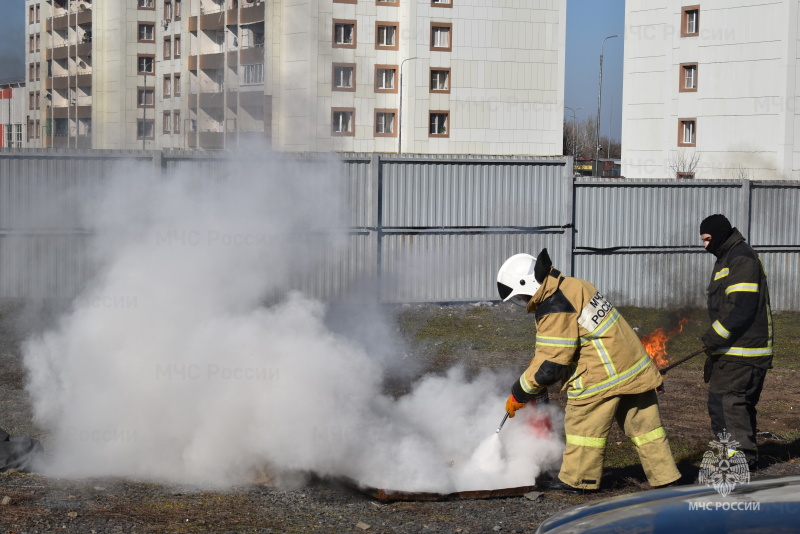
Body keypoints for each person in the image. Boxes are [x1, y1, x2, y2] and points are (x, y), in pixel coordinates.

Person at [497, 249, 681, 493]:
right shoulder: (575, 285)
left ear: (527, 283)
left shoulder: (553, 305)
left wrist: (520, 391)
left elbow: (553, 364)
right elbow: (574, 337)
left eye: (520, 295)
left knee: (583, 425)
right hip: (633, 367)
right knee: (646, 428)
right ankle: (666, 477)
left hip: (602, 374)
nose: (523, 301)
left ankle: (578, 480)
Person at [699, 214, 773, 470]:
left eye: (707, 239)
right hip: (735, 350)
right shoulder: (727, 257)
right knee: (736, 405)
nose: (705, 245)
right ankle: (742, 457)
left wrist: (712, 337)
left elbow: (740, 308)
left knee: (726, 403)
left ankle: (739, 461)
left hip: (743, 351)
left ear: (719, 234)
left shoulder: (740, 258)